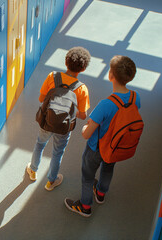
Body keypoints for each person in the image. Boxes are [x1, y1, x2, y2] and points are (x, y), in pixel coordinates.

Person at [64, 55, 140, 217]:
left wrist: (86, 126)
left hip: (96, 148)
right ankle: (100, 194)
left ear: (111, 75)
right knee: (108, 169)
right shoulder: (135, 97)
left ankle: (85, 206)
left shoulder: (106, 104)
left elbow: (86, 134)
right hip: (115, 147)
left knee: (87, 176)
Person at [26, 47, 91, 191]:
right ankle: (51, 181)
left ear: (66, 62)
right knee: (57, 152)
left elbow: (41, 98)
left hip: (46, 121)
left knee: (39, 144)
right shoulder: (82, 89)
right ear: (83, 69)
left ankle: (33, 171)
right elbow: (83, 115)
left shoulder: (52, 76)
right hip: (64, 127)